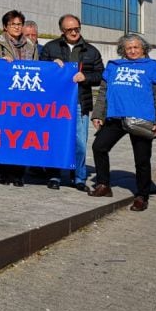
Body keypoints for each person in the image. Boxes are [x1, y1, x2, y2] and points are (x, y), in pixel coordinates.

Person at [90, 33, 156, 211]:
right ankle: (103, 185)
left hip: (141, 119)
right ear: (123, 50)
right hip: (115, 117)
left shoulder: (153, 66)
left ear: (143, 49)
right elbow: (103, 93)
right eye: (129, 48)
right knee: (99, 147)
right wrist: (97, 115)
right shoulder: (113, 66)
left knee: (141, 159)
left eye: (136, 47)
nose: (132, 51)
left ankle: (142, 196)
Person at [40, 14, 104, 191]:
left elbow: (101, 76)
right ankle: (54, 175)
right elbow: (39, 71)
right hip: (55, 104)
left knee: (80, 143)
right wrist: (51, 66)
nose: (74, 32)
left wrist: (86, 77)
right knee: (55, 140)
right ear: (62, 30)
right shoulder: (50, 47)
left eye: (77, 28)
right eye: (70, 29)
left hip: (79, 103)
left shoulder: (91, 51)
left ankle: (79, 177)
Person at [0, 9, 38, 186]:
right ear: (5, 27)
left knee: (22, 134)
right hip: (3, 96)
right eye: (12, 24)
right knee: (4, 134)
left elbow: (37, 68)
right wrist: (1, 61)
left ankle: (19, 173)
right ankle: (4, 172)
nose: (16, 27)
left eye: (19, 24)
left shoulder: (30, 45)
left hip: (23, 97)